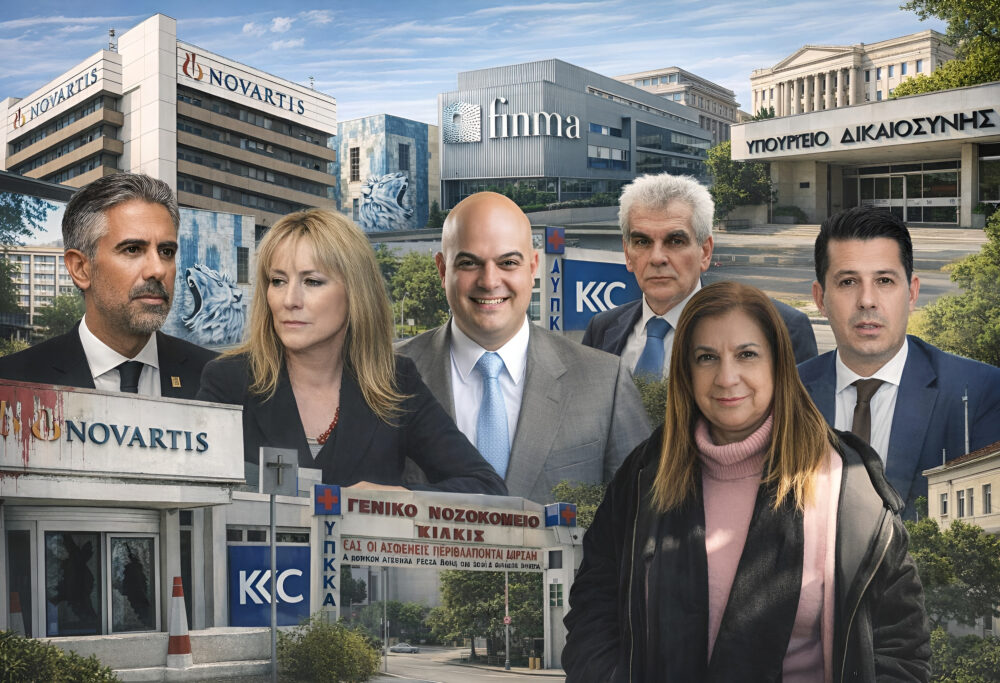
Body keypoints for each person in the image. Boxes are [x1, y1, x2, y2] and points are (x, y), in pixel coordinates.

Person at [563, 281, 930, 682]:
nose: (726, 377)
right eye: (706, 357)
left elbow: (902, 650)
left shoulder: (849, 485)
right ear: (686, 372)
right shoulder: (642, 477)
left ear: (778, 364)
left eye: (747, 355)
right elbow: (593, 612)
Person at [196, 209, 506, 494]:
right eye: (278, 281)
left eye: (312, 281)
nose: (289, 300)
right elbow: (192, 489)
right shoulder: (228, 381)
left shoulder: (396, 382)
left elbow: (487, 486)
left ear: (355, 292)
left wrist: (400, 499)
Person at [398, 192, 649, 502]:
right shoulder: (381, 376)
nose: (489, 281)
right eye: (469, 263)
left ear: (532, 268)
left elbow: (643, 513)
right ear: (442, 269)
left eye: (508, 263)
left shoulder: (605, 381)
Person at [800, 207, 1000, 508]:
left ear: (912, 293)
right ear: (820, 298)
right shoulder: (785, 391)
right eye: (848, 282)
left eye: (884, 281)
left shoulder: (979, 390)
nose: (867, 301)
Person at [0, 173, 214, 398]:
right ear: (80, 268)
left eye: (167, 252)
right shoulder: (10, 380)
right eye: (132, 249)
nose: (158, 270)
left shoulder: (218, 378)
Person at [582, 173, 818, 378]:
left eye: (675, 241)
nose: (657, 258)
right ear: (627, 254)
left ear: (705, 252)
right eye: (642, 242)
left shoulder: (780, 327)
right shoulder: (601, 330)